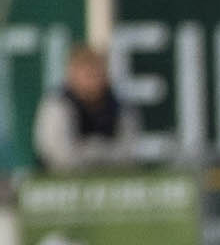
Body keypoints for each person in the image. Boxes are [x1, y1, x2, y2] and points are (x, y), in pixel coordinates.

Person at [33, 39, 142, 172]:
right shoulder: (57, 106)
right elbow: (58, 155)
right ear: (72, 75)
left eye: (97, 73)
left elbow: (128, 151)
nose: (93, 80)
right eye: (87, 74)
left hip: (111, 177)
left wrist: (97, 153)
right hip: (63, 179)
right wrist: (94, 154)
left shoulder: (120, 106)